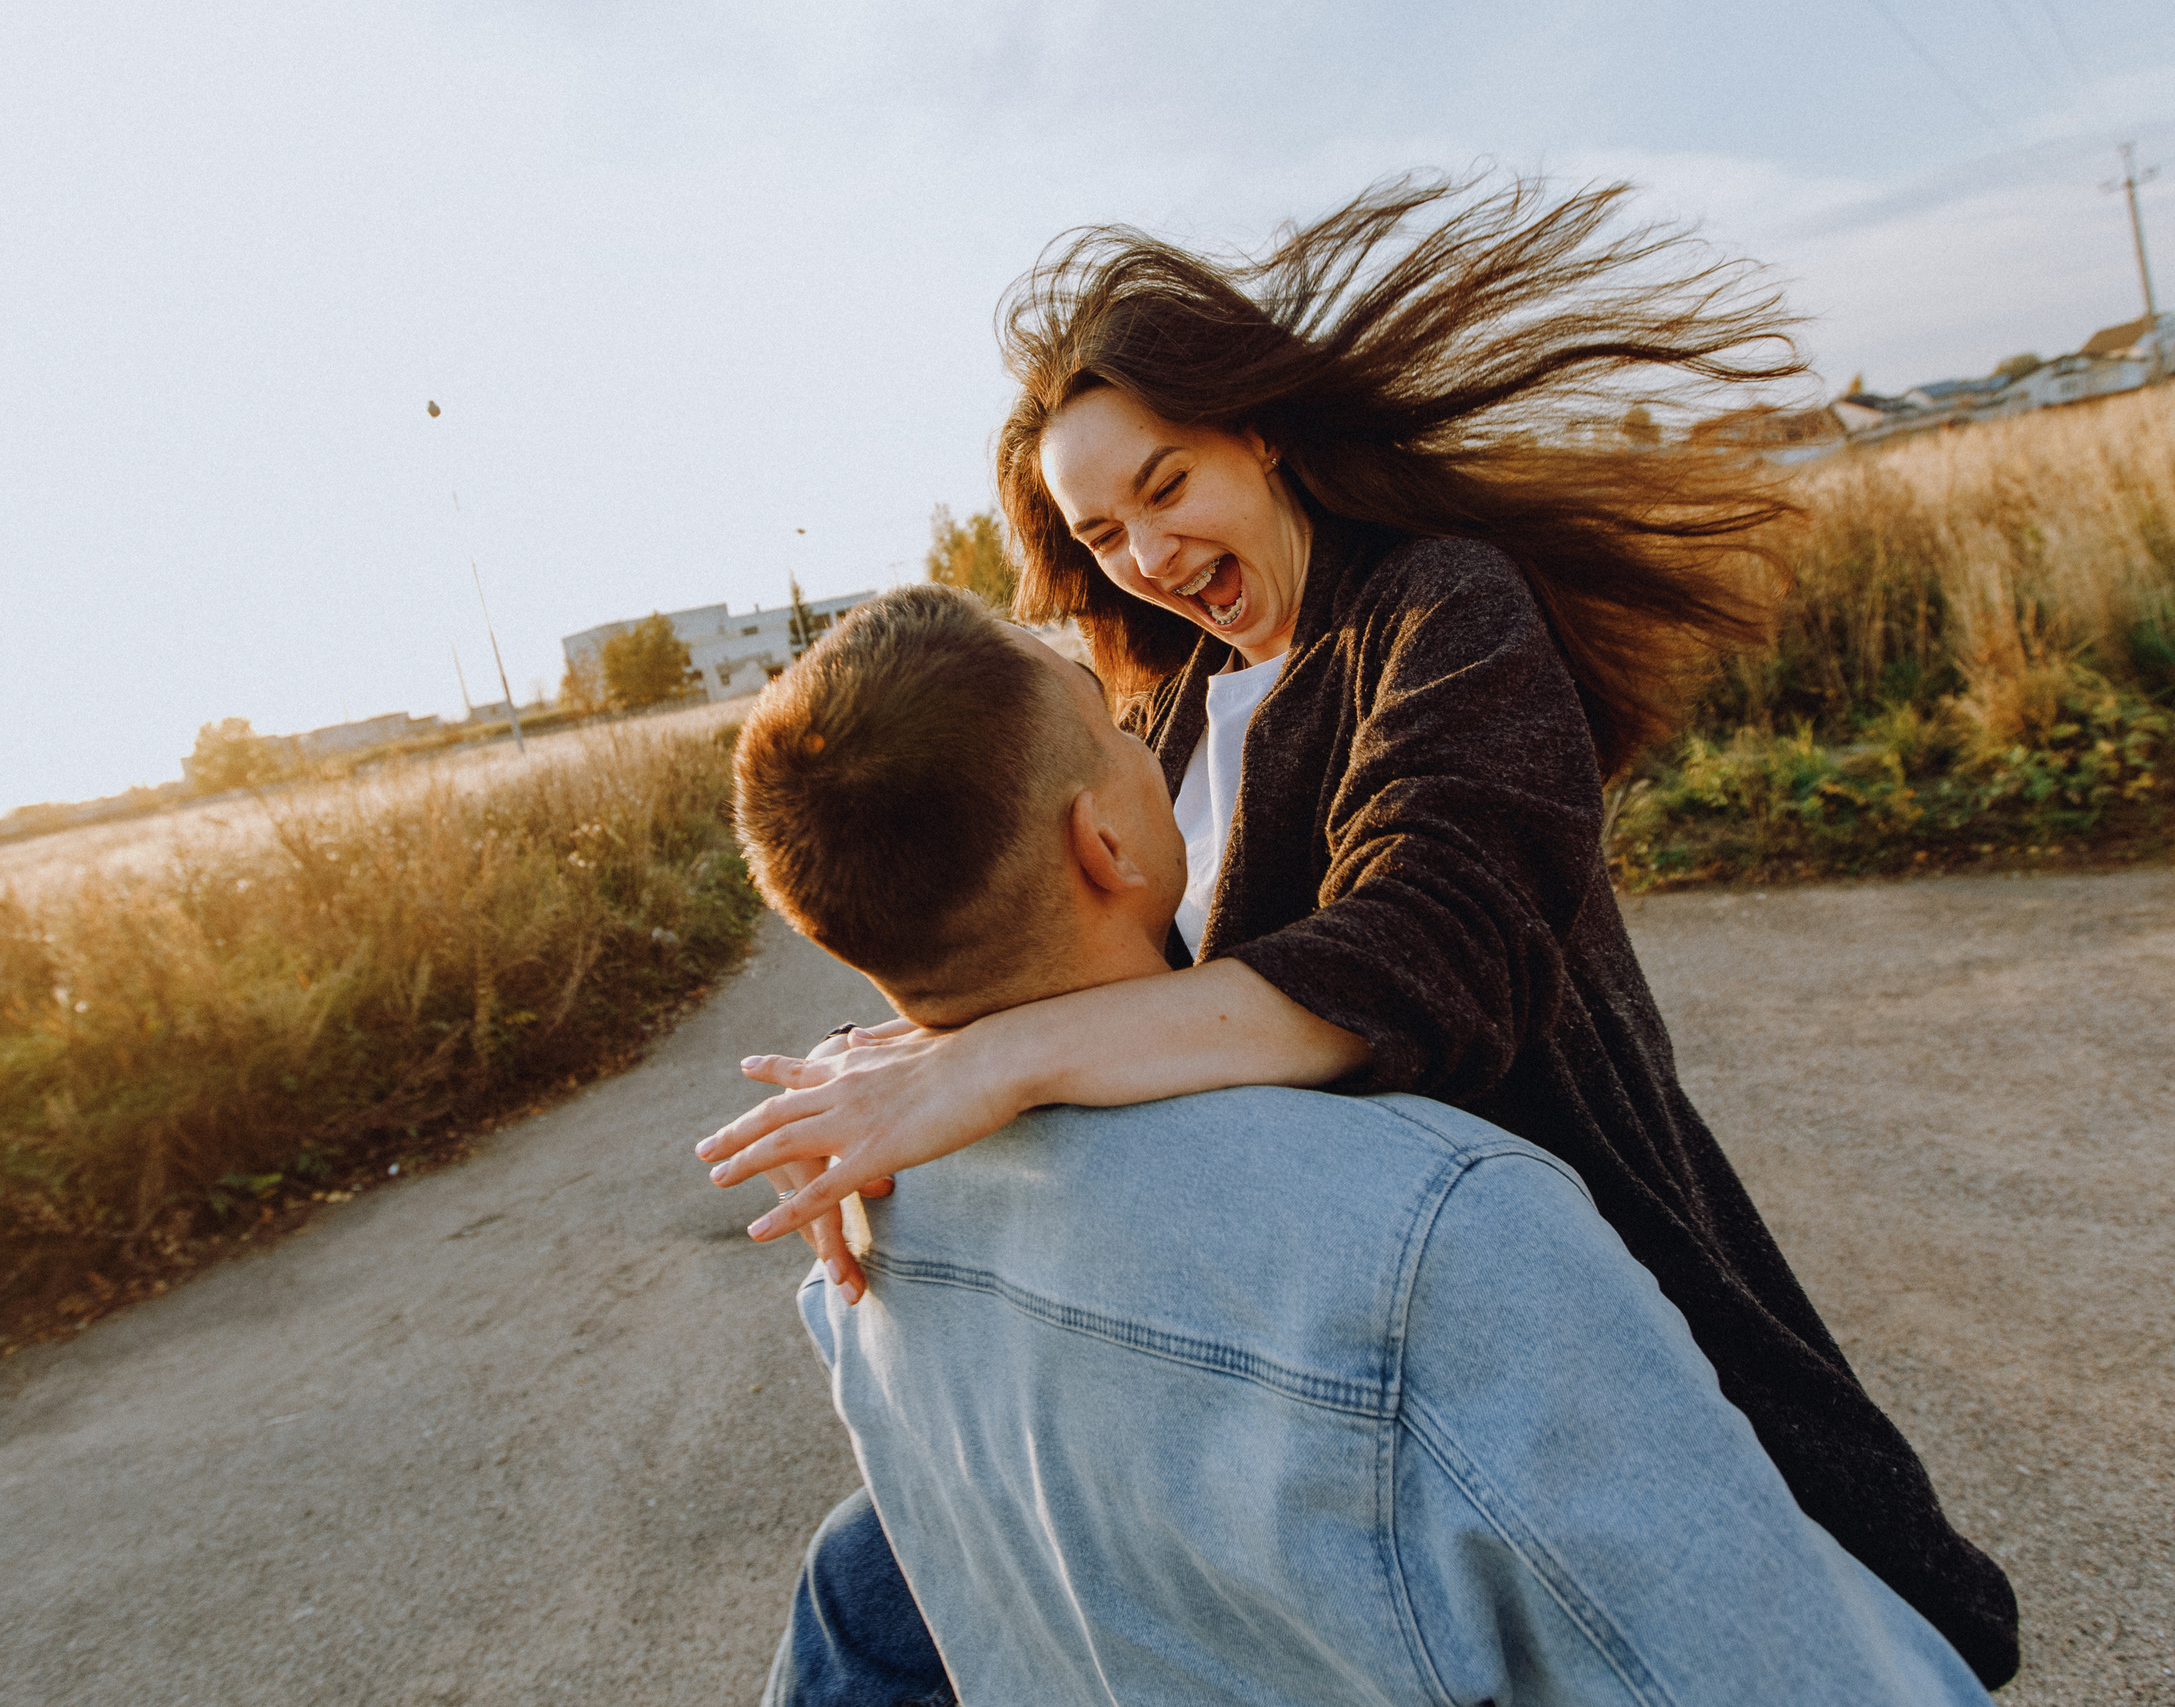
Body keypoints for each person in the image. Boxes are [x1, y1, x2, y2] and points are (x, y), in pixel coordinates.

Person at [698, 175, 2017, 1686]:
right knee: (872, 1576)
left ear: (1259, 430)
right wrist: (912, 1061)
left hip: (1523, 1273)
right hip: (1290, 1302)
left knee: (1787, 1621)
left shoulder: (1440, 610)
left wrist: (1000, 1060)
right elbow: (1066, 939)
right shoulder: (1176, 712)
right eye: (1102, 528)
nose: (1145, 552)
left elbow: (1431, 940)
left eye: (1168, 483)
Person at [723, 584, 1990, 1706]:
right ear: (1103, 842)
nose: (1149, 735)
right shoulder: (1438, 1232)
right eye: (1113, 730)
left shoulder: (872, 1206)